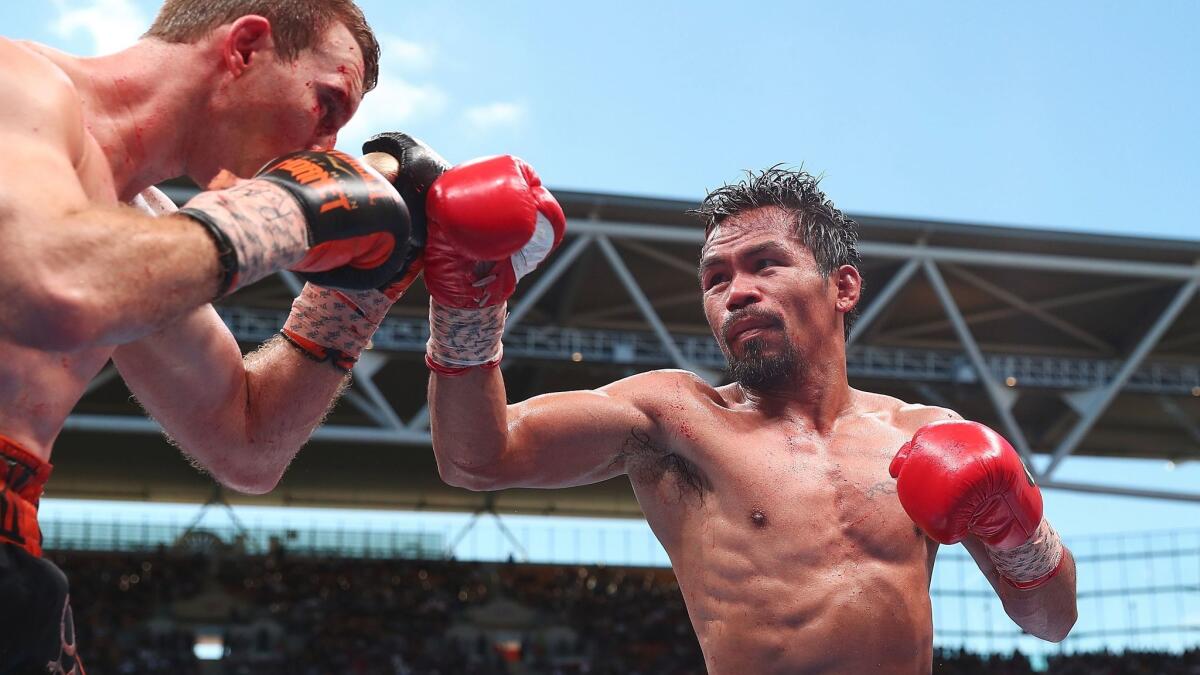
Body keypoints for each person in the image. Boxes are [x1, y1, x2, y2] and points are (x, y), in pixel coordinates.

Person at [423, 166, 1078, 673]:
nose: (735, 292)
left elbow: (1051, 620)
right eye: (715, 277)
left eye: (765, 263)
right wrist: (466, 308)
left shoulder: (925, 432)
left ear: (843, 287)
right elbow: (477, 456)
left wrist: (1014, 524)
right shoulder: (678, 419)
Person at [0, 2, 425, 671]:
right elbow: (50, 283)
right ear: (247, 46)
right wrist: (286, 209)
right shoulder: (15, 83)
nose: (329, 152)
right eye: (327, 102)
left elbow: (249, 442)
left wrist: (364, 285)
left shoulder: (134, 228)